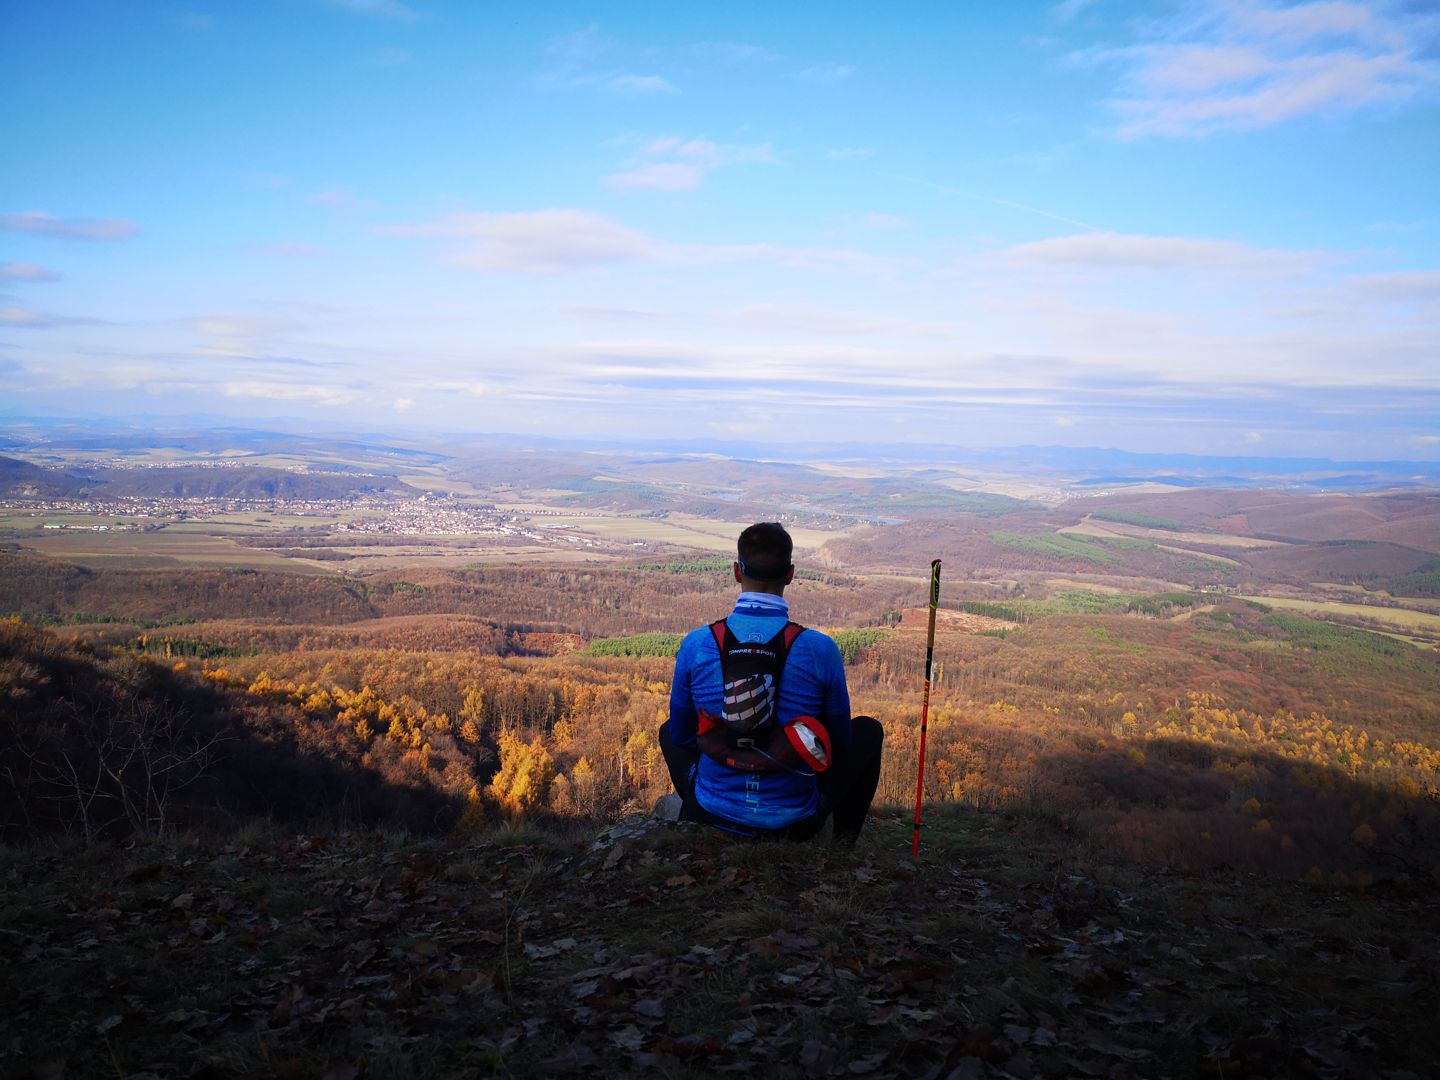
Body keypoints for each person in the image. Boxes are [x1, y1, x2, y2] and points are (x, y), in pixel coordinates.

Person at [659, 522, 884, 841]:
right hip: (794, 823)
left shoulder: (697, 644)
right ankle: (842, 844)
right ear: (790, 574)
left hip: (711, 813)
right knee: (868, 731)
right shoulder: (821, 649)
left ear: (737, 572)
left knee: (668, 730)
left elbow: (682, 736)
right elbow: (839, 742)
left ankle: (711, 801)